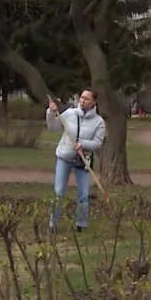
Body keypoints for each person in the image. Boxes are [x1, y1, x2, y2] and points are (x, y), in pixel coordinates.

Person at [45, 89, 105, 232]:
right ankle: (52, 223)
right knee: (58, 192)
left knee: (83, 194)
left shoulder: (99, 122)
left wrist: (83, 144)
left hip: (83, 160)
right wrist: (51, 113)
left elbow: (98, 142)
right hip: (64, 156)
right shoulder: (69, 114)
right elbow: (52, 127)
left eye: (87, 99)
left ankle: (81, 224)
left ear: (94, 102)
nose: (83, 101)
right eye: (82, 98)